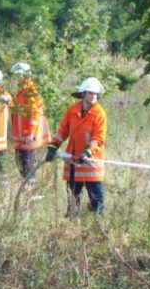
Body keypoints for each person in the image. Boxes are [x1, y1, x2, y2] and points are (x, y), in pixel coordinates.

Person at [45, 77, 107, 217]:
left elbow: (98, 138)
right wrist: (53, 146)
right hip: (73, 161)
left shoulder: (99, 114)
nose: (93, 96)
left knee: (96, 198)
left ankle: (100, 224)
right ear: (83, 94)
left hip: (91, 162)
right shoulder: (72, 111)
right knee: (73, 198)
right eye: (90, 93)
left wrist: (88, 152)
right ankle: (71, 223)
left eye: (95, 94)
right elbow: (62, 131)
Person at [9, 62, 51, 184]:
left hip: (29, 136)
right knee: (20, 162)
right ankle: (28, 188)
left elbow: (35, 113)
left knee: (27, 165)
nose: (16, 78)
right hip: (23, 137)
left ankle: (30, 191)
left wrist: (30, 133)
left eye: (18, 75)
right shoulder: (21, 90)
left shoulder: (30, 90)